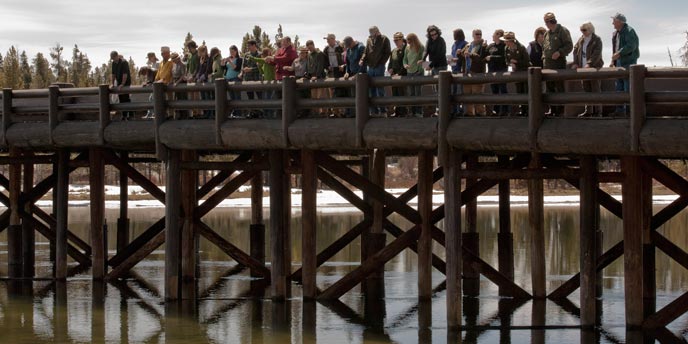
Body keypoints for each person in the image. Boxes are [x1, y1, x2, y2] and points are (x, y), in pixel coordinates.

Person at [542, 12, 573, 116]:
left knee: (559, 88)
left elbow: (569, 45)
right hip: (547, 66)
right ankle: (553, 109)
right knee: (549, 88)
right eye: (546, 21)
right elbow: (544, 48)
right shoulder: (547, 33)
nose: (546, 24)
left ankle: (560, 111)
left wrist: (560, 52)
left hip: (558, 66)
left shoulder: (562, 31)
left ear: (552, 21)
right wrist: (544, 56)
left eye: (548, 21)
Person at [610, 13, 639, 116]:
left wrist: (620, 53)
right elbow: (615, 49)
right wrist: (613, 61)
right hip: (619, 63)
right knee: (618, 86)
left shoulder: (629, 31)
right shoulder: (616, 33)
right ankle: (620, 111)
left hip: (628, 63)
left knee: (627, 88)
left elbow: (632, 46)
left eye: (614, 20)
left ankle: (629, 112)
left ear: (619, 21)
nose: (612, 23)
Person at [573, 22, 604, 117]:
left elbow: (597, 53)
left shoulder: (597, 39)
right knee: (586, 89)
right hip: (583, 68)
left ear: (590, 29)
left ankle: (598, 111)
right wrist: (576, 63)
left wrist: (589, 63)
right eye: (581, 30)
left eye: (584, 30)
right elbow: (575, 50)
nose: (583, 32)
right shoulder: (581, 40)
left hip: (594, 68)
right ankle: (588, 111)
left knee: (596, 89)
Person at [361, 26, 392, 116]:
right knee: (371, 89)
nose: (371, 35)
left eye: (372, 32)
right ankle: (374, 111)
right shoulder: (369, 40)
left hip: (379, 67)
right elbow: (365, 51)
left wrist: (381, 63)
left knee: (380, 89)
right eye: (370, 33)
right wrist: (362, 59)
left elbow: (387, 52)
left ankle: (383, 111)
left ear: (377, 31)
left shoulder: (384, 39)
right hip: (370, 67)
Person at [502, 32, 531, 116]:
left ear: (511, 41)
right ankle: (522, 110)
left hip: (525, 72)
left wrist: (517, 62)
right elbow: (506, 60)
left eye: (507, 41)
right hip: (516, 73)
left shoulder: (521, 48)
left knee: (526, 91)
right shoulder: (506, 48)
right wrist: (510, 64)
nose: (505, 42)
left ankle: (528, 111)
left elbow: (527, 61)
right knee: (519, 91)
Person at [461, 29, 488, 116]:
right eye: (477, 34)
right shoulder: (468, 45)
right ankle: (469, 113)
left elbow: (482, 59)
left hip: (477, 73)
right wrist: (459, 53)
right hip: (467, 72)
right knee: (467, 94)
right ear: (473, 35)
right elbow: (462, 54)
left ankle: (480, 113)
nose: (479, 35)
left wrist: (471, 55)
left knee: (477, 94)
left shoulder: (483, 46)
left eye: (480, 34)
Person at [247, 48, 276, 118]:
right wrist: (259, 66)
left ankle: (270, 115)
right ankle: (267, 114)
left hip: (271, 82)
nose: (263, 56)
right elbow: (262, 73)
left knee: (270, 99)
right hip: (266, 82)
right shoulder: (265, 62)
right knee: (266, 99)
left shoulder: (270, 60)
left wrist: (251, 57)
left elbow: (257, 59)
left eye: (264, 54)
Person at [322, 33, 346, 116]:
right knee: (331, 91)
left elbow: (345, 58)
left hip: (340, 71)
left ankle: (342, 111)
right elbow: (324, 61)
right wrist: (327, 67)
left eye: (328, 39)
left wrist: (343, 66)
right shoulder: (326, 49)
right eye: (327, 40)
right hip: (331, 71)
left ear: (333, 39)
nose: (327, 41)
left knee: (340, 90)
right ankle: (334, 111)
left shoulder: (340, 47)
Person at [486, 29, 508, 116]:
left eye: (494, 34)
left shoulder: (504, 46)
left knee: (503, 90)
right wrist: (484, 47)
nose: (492, 36)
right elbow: (484, 55)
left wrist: (492, 57)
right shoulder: (490, 46)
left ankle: (505, 110)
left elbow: (504, 58)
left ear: (498, 35)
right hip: (492, 71)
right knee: (494, 91)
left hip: (501, 71)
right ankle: (496, 110)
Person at [343, 36, 366, 117]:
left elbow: (364, 63)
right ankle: (354, 114)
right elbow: (348, 64)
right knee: (353, 95)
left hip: (361, 76)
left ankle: (362, 114)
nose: (348, 47)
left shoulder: (361, 47)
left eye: (349, 45)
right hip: (352, 75)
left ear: (352, 42)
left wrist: (358, 73)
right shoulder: (349, 50)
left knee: (361, 96)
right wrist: (347, 72)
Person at [403, 33, 425, 117]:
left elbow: (422, 59)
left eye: (410, 41)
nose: (408, 42)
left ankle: (419, 112)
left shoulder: (421, 47)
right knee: (411, 93)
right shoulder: (407, 48)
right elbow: (404, 59)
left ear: (414, 40)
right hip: (409, 72)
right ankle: (412, 111)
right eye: (407, 40)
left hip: (418, 72)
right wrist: (405, 65)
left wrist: (419, 70)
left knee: (418, 92)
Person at [305, 40, 328, 116]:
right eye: (308, 47)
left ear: (313, 45)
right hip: (312, 77)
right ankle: (315, 112)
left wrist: (317, 76)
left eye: (310, 46)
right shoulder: (309, 55)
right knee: (314, 95)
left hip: (319, 77)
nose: (309, 48)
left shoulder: (319, 53)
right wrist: (307, 76)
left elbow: (320, 66)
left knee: (321, 95)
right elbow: (308, 66)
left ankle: (323, 112)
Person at [388, 32, 407, 117]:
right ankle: (397, 112)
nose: (395, 42)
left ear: (402, 39)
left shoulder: (406, 49)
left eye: (397, 40)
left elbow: (405, 63)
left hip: (402, 75)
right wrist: (390, 69)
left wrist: (399, 73)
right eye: (394, 40)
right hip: (394, 76)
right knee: (395, 93)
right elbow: (390, 62)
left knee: (402, 93)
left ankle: (403, 112)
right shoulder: (394, 50)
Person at [110, 50, 133, 120]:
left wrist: (122, 84)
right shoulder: (113, 63)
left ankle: (130, 115)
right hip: (119, 82)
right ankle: (124, 115)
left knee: (126, 98)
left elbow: (125, 74)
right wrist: (112, 83)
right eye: (112, 58)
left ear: (117, 56)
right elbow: (113, 74)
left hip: (126, 82)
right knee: (121, 98)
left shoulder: (124, 62)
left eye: (114, 58)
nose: (113, 59)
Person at [450, 29, 468, 116]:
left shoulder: (465, 43)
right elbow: (453, 56)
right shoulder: (453, 45)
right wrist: (450, 61)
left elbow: (464, 57)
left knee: (460, 92)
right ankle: (455, 111)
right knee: (453, 92)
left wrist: (458, 56)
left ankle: (463, 111)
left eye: (454, 34)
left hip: (460, 70)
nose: (453, 35)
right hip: (453, 69)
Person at [242, 40, 262, 118]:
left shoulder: (260, 54)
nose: (248, 47)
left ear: (254, 45)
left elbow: (260, 67)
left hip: (257, 78)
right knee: (250, 96)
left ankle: (261, 112)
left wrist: (251, 69)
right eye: (247, 46)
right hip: (248, 79)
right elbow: (243, 66)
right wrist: (243, 70)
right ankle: (252, 112)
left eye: (249, 46)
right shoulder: (246, 55)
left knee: (259, 96)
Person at [222, 45, 243, 117]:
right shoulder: (229, 59)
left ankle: (239, 113)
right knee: (231, 97)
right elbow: (224, 68)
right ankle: (234, 112)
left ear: (236, 51)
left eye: (232, 51)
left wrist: (230, 61)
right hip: (228, 79)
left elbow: (236, 68)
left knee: (237, 96)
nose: (231, 53)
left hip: (235, 78)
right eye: (230, 51)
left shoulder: (239, 59)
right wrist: (223, 62)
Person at [194, 45, 214, 119]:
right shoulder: (200, 59)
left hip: (207, 81)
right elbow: (198, 69)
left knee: (208, 97)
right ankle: (205, 113)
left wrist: (202, 77)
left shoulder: (209, 59)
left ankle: (210, 114)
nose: (199, 53)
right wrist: (197, 76)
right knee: (203, 97)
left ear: (204, 51)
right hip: (200, 81)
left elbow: (208, 70)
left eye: (200, 52)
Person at [170, 52, 190, 118]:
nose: (173, 61)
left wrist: (177, 82)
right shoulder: (174, 65)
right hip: (175, 82)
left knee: (183, 98)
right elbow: (173, 74)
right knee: (177, 98)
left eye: (174, 59)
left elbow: (183, 75)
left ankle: (185, 115)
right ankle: (179, 114)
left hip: (181, 83)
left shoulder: (182, 65)